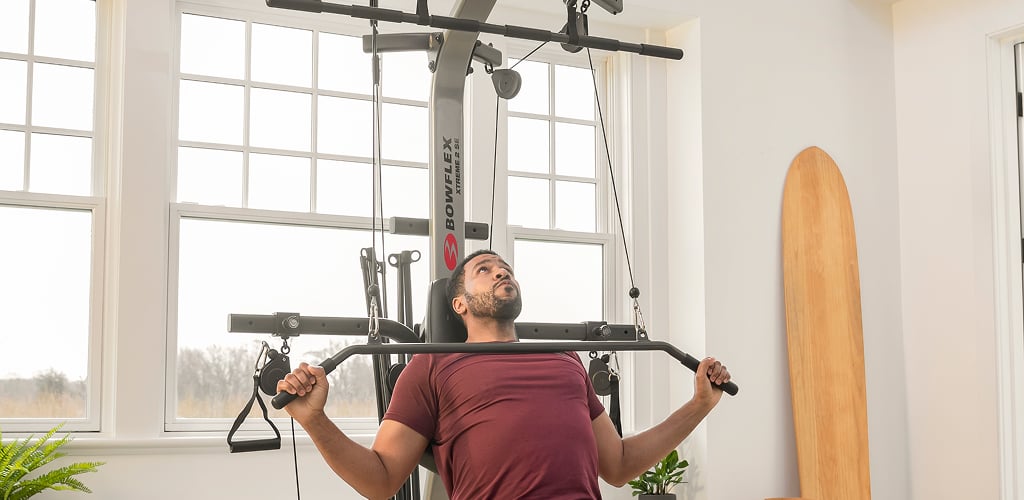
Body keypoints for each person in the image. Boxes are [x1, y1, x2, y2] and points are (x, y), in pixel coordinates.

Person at [277, 249, 731, 500]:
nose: (500, 272)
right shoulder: (432, 366)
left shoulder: (565, 360)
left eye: (505, 269)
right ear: (459, 305)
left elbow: (618, 466)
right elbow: (380, 480)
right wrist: (314, 419)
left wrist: (699, 405)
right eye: (484, 270)